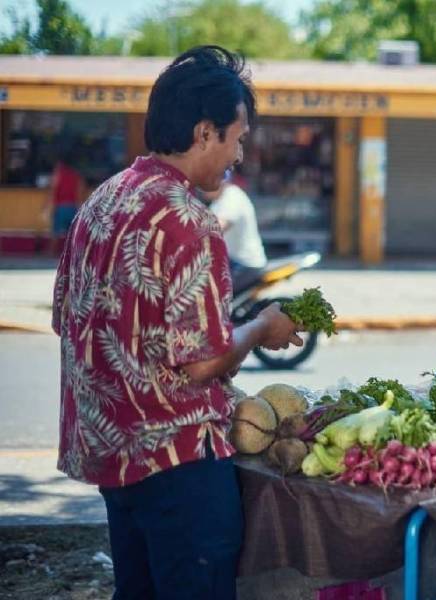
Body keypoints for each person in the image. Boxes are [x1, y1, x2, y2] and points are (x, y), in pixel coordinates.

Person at [51, 46, 302, 600]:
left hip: (112, 455)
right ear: (205, 132)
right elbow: (203, 362)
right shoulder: (189, 221)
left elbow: (65, 317)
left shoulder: (104, 199)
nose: (238, 155)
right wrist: (262, 328)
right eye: (237, 139)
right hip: (178, 463)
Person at [204, 178, 269, 295]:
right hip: (233, 262)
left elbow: (217, 228)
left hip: (245, 264)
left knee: (213, 296)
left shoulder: (231, 197)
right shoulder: (218, 200)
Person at [47, 154, 83, 254]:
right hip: (72, 207)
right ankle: (72, 255)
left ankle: (51, 253)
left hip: (60, 207)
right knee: (72, 234)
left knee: (55, 232)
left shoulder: (58, 174)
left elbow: (53, 191)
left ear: (61, 164)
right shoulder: (76, 175)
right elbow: (79, 192)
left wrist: (50, 206)